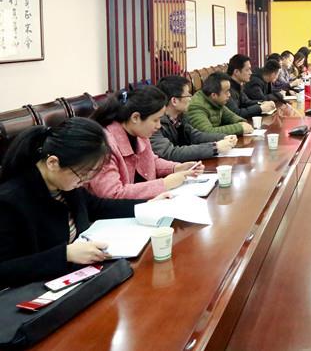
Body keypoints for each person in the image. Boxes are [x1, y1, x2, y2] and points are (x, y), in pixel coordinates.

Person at [0, 118, 166, 287]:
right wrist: (66, 254)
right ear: (53, 163)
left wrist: (146, 205)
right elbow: (5, 270)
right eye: (82, 174)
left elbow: (97, 206)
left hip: (78, 277)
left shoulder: (65, 184)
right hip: (41, 290)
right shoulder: (10, 201)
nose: (84, 182)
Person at [88, 87, 202, 200]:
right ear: (135, 117)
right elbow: (113, 194)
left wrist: (176, 168)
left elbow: (150, 162)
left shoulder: (139, 133)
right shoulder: (104, 145)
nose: (159, 126)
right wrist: (164, 183)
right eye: (155, 120)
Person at [150, 75, 238, 162]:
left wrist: (224, 137)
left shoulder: (180, 116)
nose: (190, 99)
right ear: (174, 101)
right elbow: (171, 153)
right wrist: (214, 147)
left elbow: (195, 136)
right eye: (187, 95)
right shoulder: (154, 125)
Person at [187, 72, 254, 136]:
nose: (229, 95)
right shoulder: (196, 107)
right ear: (214, 95)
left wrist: (242, 123)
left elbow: (232, 117)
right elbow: (207, 132)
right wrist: (239, 128)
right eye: (226, 92)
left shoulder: (216, 101)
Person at [227, 54, 276, 119]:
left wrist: (263, 103)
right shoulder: (226, 88)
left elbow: (246, 102)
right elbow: (236, 113)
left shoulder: (237, 85)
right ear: (236, 72)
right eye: (247, 70)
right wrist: (260, 108)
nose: (251, 72)